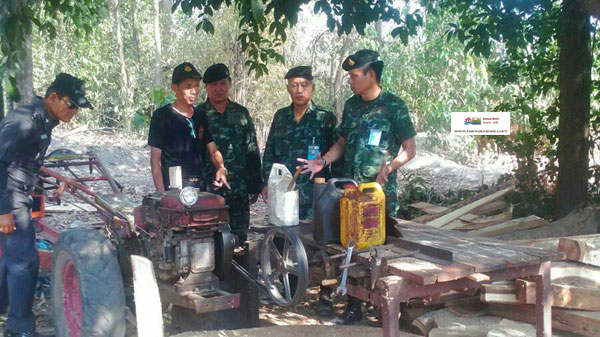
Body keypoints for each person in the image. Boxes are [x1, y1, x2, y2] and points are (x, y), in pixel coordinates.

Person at [299, 49, 417, 324]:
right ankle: (353, 305)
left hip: (377, 193)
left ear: (371, 75)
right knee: (350, 245)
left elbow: (410, 149)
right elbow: (341, 143)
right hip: (349, 191)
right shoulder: (352, 106)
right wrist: (322, 161)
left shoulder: (394, 106)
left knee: (377, 249)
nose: (350, 81)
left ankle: (386, 306)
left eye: (354, 76)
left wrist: (389, 167)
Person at [0, 73, 93, 337]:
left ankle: (5, 307)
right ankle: (19, 329)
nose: (74, 111)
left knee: (11, 256)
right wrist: (4, 211)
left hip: (19, 192)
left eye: (77, 107)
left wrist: (56, 179)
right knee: (26, 261)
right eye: (71, 104)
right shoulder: (24, 121)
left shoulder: (46, 120)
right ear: (52, 97)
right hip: (9, 195)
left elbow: (26, 159)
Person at [261, 66, 337, 219]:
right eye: (294, 85)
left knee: (311, 239)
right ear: (288, 88)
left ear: (312, 87)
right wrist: (266, 183)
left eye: (304, 85)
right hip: (283, 191)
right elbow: (269, 152)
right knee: (282, 236)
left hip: (314, 194)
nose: (299, 90)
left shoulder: (324, 118)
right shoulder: (281, 116)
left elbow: (335, 154)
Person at [199, 63, 262, 246]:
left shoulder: (240, 113)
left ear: (229, 84)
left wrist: (255, 183)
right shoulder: (199, 115)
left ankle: (239, 272)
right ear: (206, 87)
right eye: (213, 85)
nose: (219, 89)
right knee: (208, 237)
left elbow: (251, 148)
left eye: (223, 83)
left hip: (239, 187)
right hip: (209, 187)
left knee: (239, 237)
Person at [148, 62, 230, 193]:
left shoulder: (201, 115)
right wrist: (161, 194)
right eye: (188, 86)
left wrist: (221, 168)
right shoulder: (162, 116)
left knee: (218, 206)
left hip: (200, 187)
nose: (194, 91)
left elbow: (213, 150)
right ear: (174, 88)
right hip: (174, 188)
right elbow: (155, 160)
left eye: (197, 86)